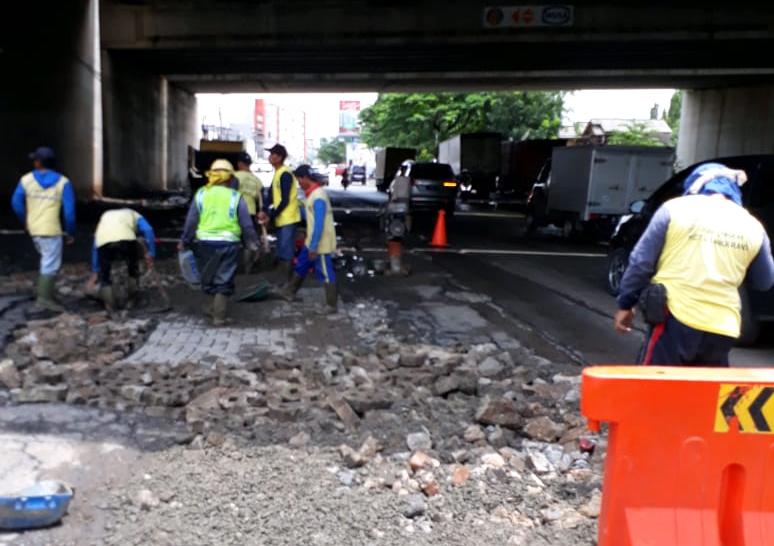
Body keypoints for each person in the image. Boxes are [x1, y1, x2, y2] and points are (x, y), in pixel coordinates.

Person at [614, 162, 774, 366]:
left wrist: (626, 304)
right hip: (723, 327)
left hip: (675, 318)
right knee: (704, 394)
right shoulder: (753, 225)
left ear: (695, 185)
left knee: (653, 390)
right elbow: (765, 281)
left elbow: (641, 262)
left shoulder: (675, 209)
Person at [180, 159, 260, 325]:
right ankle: (219, 317)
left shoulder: (201, 194)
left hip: (204, 244)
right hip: (229, 244)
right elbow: (246, 224)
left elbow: (191, 221)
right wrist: (252, 243)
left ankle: (212, 308)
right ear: (230, 178)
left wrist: (185, 241)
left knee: (208, 276)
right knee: (224, 279)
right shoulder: (235, 197)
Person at [11, 146, 76, 312]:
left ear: (39, 163)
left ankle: (45, 294)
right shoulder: (63, 182)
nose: (33, 162)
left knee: (46, 261)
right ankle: (44, 299)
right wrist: (70, 232)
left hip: (34, 229)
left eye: (35, 159)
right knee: (50, 264)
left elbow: (16, 203)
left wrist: (25, 220)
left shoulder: (26, 180)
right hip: (51, 230)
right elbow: (69, 212)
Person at [281, 165, 338, 314]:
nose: (299, 182)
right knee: (301, 265)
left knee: (326, 272)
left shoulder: (318, 196)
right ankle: (289, 293)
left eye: (299, 179)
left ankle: (331, 305)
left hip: (320, 243)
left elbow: (319, 224)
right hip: (312, 241)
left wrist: (313, 247)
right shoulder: (312, 194)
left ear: (306, 178)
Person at [89, 208, 156, 311]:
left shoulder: (105, 216)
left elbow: (95, 243)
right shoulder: (135, 214)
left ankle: (111, 306)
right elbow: (148, 230)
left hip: (103, 241)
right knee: (132, 268)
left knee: (105, 275)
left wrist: (95, 269)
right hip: (126, 239)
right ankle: (132, 300)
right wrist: (151, 253)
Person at [258, 144, 300, 281]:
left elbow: (285, 200)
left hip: (288, 218)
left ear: (280, 157)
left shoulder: (285, 173)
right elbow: (270, 195)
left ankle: (287, 283)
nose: (270, 157)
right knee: (282, 249)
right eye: (270, 154)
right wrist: (264, 210)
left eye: (273, 154)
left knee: (286, 251)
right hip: (282, 219)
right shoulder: (278, 173)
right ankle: (283, 280)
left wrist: (271, 215)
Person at [233, 152, 264, 273]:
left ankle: (233, 268)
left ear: (239, 164)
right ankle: (248, 268)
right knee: (248, 242)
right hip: (250, 213)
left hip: (235, 212)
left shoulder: (235, 177)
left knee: (233, 240)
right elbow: (260, 199)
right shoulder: (256, 180)